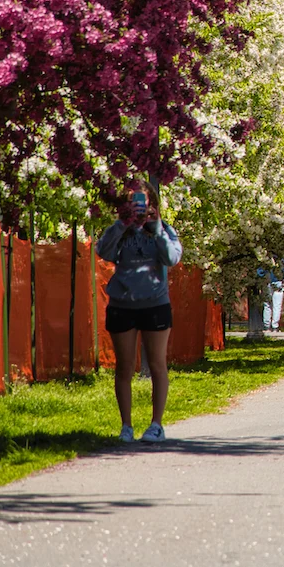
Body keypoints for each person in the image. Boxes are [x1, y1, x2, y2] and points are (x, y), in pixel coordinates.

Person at [96, 181, 183, 443]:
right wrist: (123, 224)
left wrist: (155, 228)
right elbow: (104, 251)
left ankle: (156, 424)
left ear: (153, 205)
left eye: (144, 203)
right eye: (135, 203)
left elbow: (171, 258)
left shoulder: (163, 230)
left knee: (157, 364)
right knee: (124, 367)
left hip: (155, 304)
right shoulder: (120, 231)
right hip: (123, 305)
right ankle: (126, 426)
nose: (140, 208)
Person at [258, 261, 284, 332]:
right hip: (278, 282)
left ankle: (266, 326)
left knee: (267, 305)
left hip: (267, 282)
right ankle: (275, 326)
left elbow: (260, 272)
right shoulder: (280, 259)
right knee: (277, 306)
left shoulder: (265, 258)